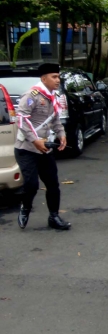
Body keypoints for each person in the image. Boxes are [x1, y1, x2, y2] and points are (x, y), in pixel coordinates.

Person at [14, 63, 71, 230]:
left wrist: (62, 134)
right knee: (31, 185)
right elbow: (21, 119)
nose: (57, 80)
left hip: (45, 149)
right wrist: (34, 140)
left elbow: (55, 119)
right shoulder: (32, 95)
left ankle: (54, 216)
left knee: (53, 184)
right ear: (43, 78)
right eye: (54, 77)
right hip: (27, 149)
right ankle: (25, 207)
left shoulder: (52, 96)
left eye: (58, 76)